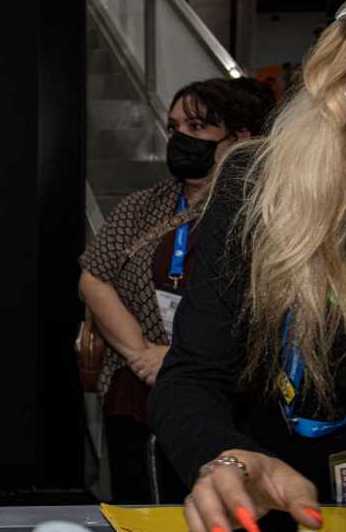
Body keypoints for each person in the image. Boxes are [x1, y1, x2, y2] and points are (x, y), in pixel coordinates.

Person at [150, 0, 346, 532]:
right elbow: (190, 379)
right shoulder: (257, 188)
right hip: (288, 522)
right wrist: (225, 457)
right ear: (344, 59)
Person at [78, 77, 274, 503]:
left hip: (225, 398)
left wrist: (183, 358)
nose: (181, 138)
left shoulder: (268, 214)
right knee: (136, 508)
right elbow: (94, 276)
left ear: (238, 139)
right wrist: (140, 354)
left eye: (197, 128)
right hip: (136, 389)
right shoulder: (144, 205)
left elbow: (270, 308)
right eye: (174, 127)